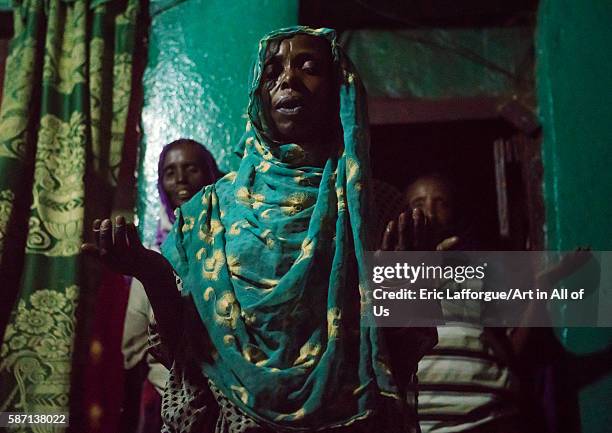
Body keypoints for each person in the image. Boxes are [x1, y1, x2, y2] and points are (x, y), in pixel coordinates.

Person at [83, 27, 436, 433]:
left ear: (340, 86)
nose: (288, 79)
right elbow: (187, 346)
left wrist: (407, 278)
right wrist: (151, 272)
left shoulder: (378, 207)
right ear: (259, 93)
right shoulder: (208, 211)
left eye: (309, 67)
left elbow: (401, 350)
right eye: (272, 72)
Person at [121, 139, 221, 433]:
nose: (180, 180)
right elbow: (133, 344)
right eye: (170, 172)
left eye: (191, 169)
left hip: (231, 398)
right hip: (170, 401)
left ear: (210, 174)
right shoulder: (156, 251)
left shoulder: (233, 239)